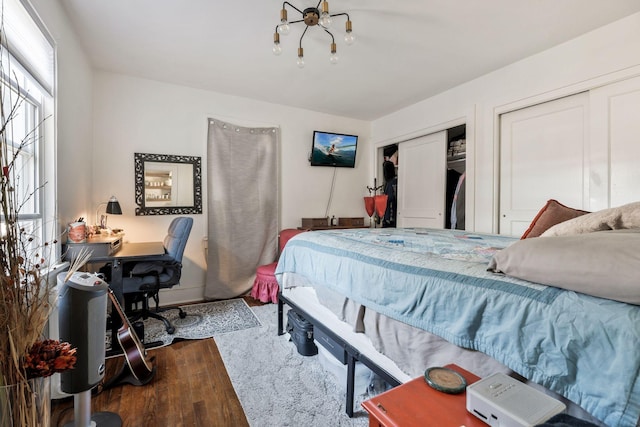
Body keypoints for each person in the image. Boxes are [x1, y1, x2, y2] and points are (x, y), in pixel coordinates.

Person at [382, 160, 397, 228]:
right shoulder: (397, 181)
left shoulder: (390, 183)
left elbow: (388, 199)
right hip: (396, 215)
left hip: (390, 217)